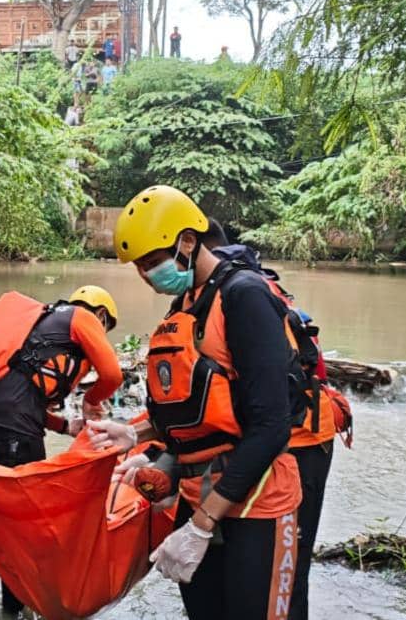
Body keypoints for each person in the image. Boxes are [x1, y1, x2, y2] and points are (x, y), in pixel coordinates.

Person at [90, 185, 302, 620]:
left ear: (188, 241)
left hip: (255, 501)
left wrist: (203, 524)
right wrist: (137, 431)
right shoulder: (185, 303)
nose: (148, 276)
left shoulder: (244, 296)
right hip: (198, 491)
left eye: (153, 262)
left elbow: (270, 426)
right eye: (140, 268)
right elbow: (196, 401)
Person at [201, 218, 345, 620]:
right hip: (256, 442)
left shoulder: (242, 293)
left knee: (288, 571)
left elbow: (270, 408)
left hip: (300, 441)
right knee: (245, 574)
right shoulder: (206, 294)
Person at [0, 285, 124, 614]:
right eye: (106, 328)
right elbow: (112, 375)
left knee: (19, 517)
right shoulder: (82, 317)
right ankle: (27, 603)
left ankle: (17, 603)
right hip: (13, 425)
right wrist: (92, 399)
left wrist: (66, 426)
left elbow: (22, 394)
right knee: (29, 525)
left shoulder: (44, 329)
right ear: (100, 315)